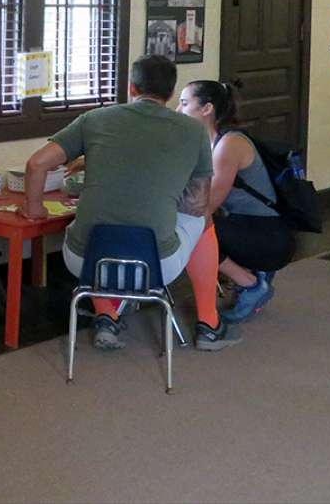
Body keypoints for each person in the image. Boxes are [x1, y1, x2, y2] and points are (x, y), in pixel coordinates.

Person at [21, 54, 228, 350]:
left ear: (131, 87)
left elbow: (36, 164)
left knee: (90, 222)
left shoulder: (94, 119)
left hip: (85, 263)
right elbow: (196, 204)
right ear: (171, 94)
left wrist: (34, 208)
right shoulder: (193, 130)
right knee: (204, 220)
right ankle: (209, 323)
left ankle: (106, 316)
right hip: (157, 265)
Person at [177, 81, 296, 322]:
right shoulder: (209, 141)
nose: (178, 111)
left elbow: (206, 207)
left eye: (184, 103)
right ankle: (250, 276)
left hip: (268, 236)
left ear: (206, 109)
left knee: (192, 230)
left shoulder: (228, 145)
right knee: (190, 224)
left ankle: (250, 283)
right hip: (246, 225)